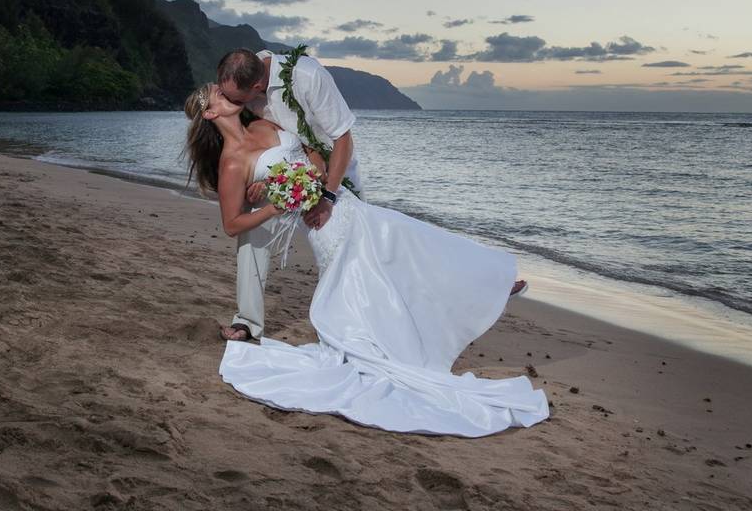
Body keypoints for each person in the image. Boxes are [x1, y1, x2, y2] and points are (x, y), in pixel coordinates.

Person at [184, 84, 547, 437]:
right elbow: (233, 225)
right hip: (323, 224)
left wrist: (310, 179)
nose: (226, 90)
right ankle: (484, 285)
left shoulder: (264, 123)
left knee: (402, 242)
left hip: (339, 201)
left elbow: (311, 151)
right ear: (212, 112)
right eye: (218, 92)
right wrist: (276, 205)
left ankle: (486, 282)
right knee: (393, 248)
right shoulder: (231, 163)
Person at [214, 47, 363, 343]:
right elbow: (257, 144)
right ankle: (247, 321)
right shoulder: (242, 74)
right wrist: (263, 180)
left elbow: (343, 140)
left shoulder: (309, 77)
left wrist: (328, 197)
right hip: (289, 176)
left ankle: (349, 325)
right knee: (254, 225)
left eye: (236, 99)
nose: (231, 102)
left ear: (257, 87)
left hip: (335, 174)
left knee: (341, 248)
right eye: (226, 96)